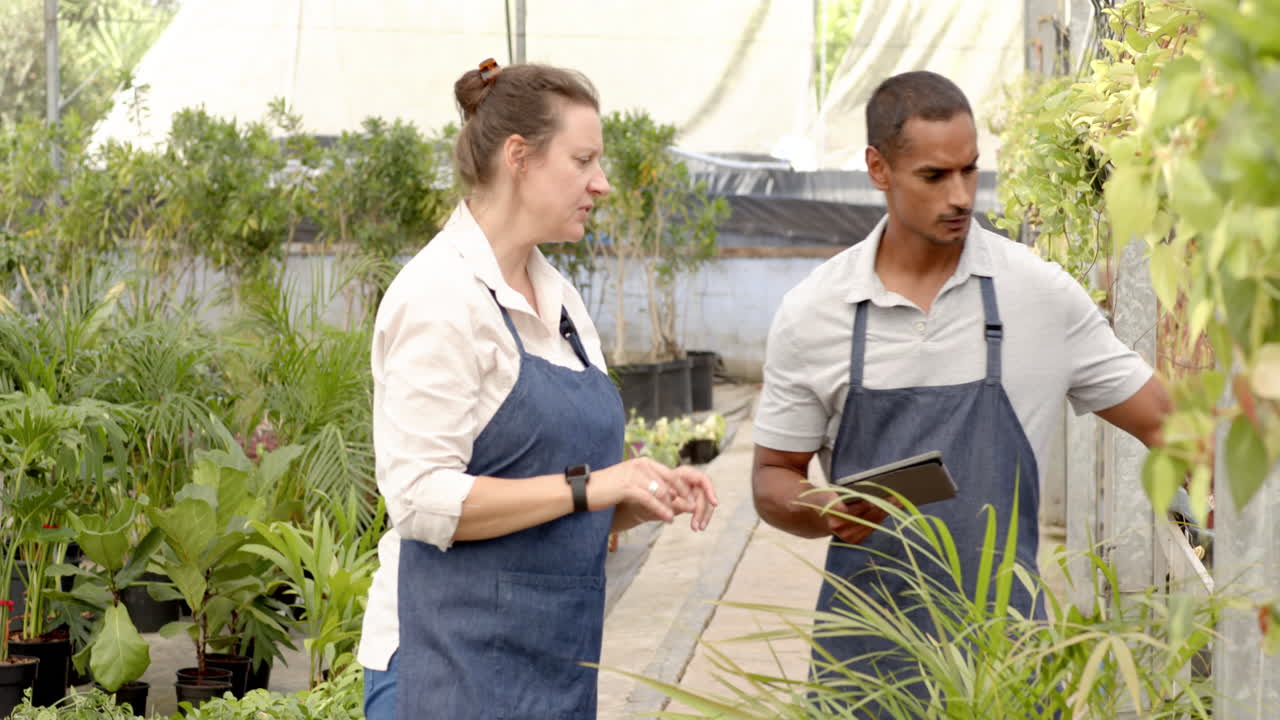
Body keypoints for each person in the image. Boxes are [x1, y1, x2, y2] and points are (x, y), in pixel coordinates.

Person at [751, 71, 1170, 710]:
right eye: (934, 176)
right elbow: (772, 477)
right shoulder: (816, 312)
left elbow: (1165, 422)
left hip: (1005, 665)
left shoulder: (1037, 294)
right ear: (877, 168)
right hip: (865, 668)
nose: (961, 196)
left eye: (970, 171)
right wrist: (821, 507)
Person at [358, 59, 719, 720]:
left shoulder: (560, 299)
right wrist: (593, 486)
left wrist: (636, 495)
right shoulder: (440, 297)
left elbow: (557, 501)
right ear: (518, 157)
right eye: (583, 160)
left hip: (551, 664)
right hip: (445, 666)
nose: (601, 184)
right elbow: (420, 501)